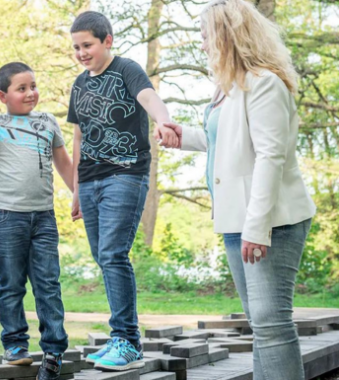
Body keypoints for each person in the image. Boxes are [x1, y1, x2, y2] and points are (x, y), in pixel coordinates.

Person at [167, 1, 316, 379]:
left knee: (271, 323)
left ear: (226, 36)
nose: (202, 45)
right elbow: (228, 143)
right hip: (237, 220)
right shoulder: (229, 89)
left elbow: (270, 156)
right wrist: (185, 137)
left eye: (204, 37)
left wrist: (257, 228)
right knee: (261, 325)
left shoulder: (264, 84)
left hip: (270, 222)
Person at [67, 11, 178, 371]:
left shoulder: (127, 69)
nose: (82, 53)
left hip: (125, 175)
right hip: (90, 181)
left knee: (113, 254)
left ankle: (128, 342)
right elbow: (79, 136)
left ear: (107, 41)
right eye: (76, 47)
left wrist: (163, 120)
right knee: (104, 257)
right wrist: (75, 190)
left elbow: (148, 97)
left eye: (88, 45)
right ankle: (121, 338)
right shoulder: (79, 84)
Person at [0, 62, 72, 380]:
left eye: (33, 86)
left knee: (48, 284)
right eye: (22, 88)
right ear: (3, 95)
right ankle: (16, 345)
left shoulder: (48, 121)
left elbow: (65, 164)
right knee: (11, 284)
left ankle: (53, 351)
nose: (31, 93)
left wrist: (79, 196)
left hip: (44, 217)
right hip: (6, 216)